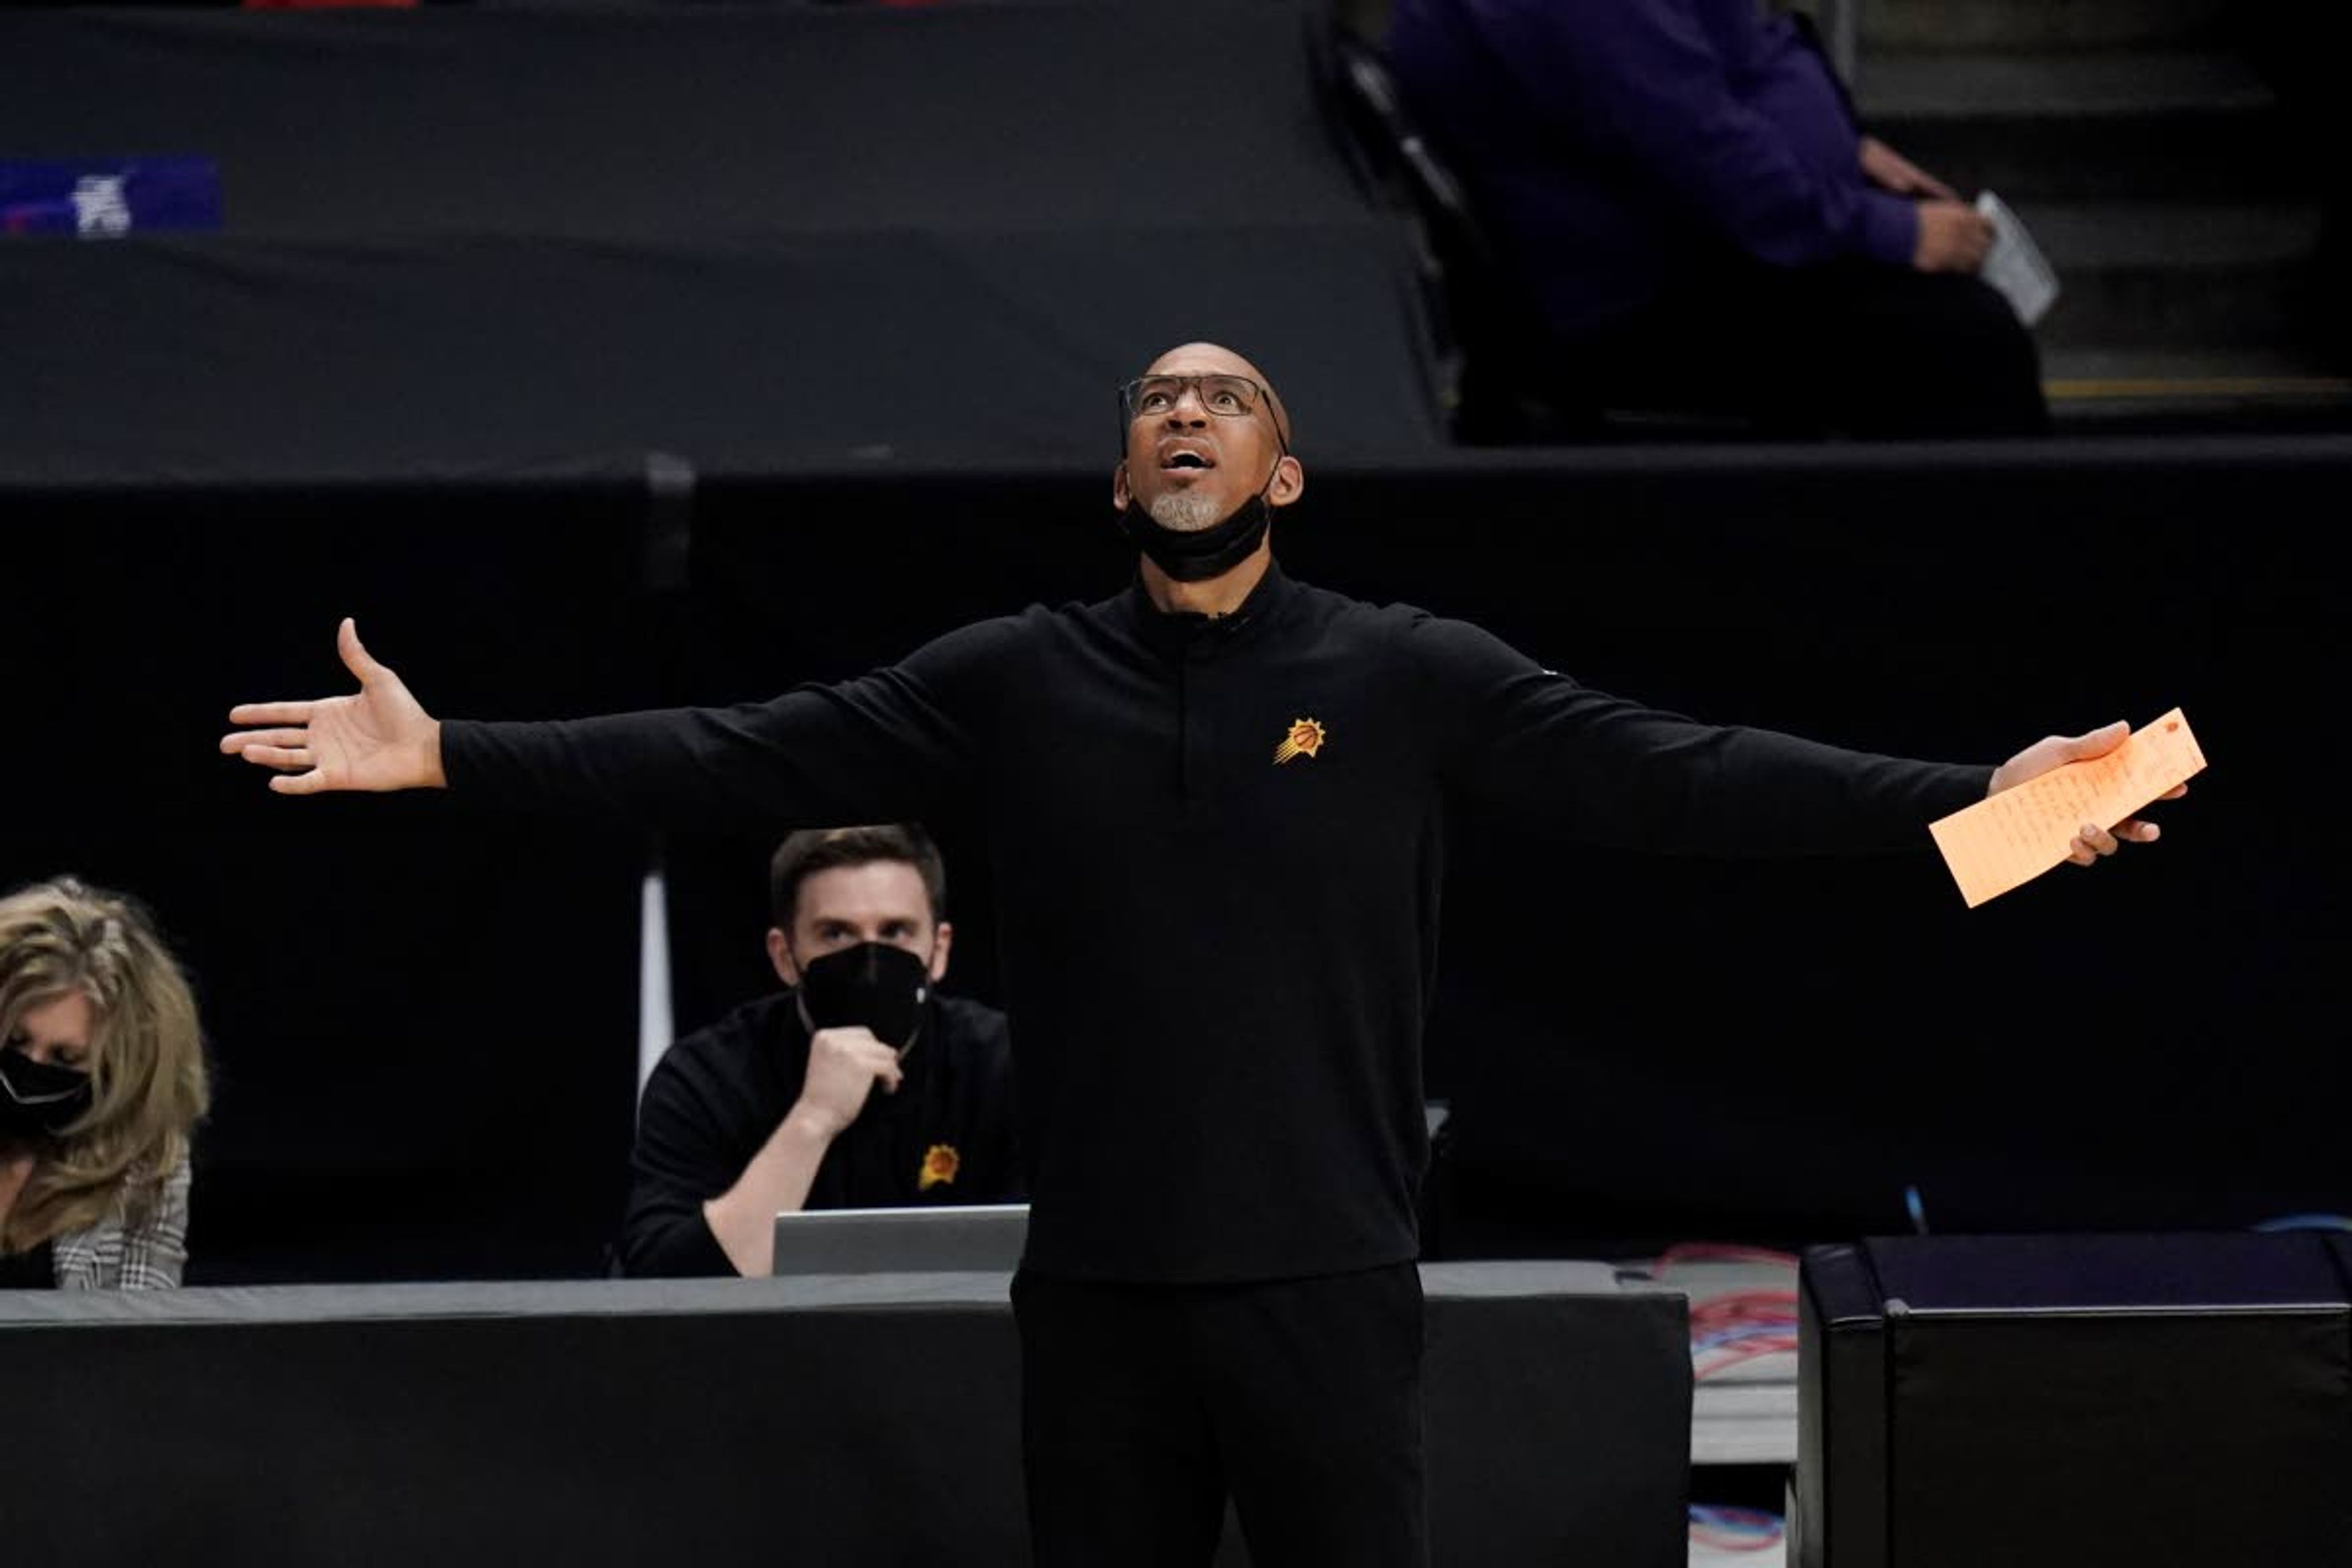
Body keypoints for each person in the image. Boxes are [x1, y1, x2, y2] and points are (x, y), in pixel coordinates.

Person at [221, 341, 2173, 1566]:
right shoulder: (1011, 679)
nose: (1183, 413)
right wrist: (447, 753)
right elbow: (742, 743)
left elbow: (1686, 774)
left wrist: (1993, 808)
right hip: (1094, 1288)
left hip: (1326, 1275)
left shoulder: (1401, 673)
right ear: (1119, 477)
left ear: (1283, 475)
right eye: (1155, 398)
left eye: (1225, 397)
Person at [1384, 0, 2049, 437]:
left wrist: (1844, 152)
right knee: (1966, 338)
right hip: (1638, 303)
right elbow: (1695, 144)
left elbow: (1726, 66)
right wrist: (1890, 231)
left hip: (1684, 238)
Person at [620, 823, 1021, 1278]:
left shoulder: (1001, 1063)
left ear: (940, 949)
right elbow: (665, 1288)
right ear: (785, 957)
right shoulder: (706, 1074)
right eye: (836, 935)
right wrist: (814, 1118)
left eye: (895, 932)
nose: (870, 960)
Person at [0, 876, 210, 1290]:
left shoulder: (145, 1165)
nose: (31, 1068)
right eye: (14, 1041)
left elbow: (138, 1338)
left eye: (65, 1059)